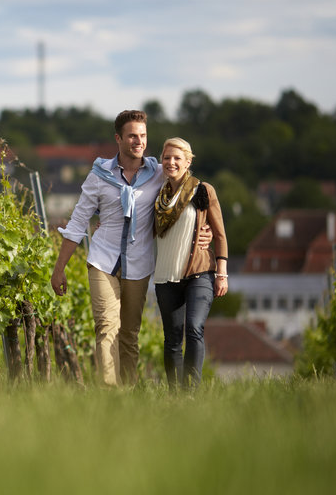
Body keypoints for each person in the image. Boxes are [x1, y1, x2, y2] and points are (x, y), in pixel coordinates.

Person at [50, 110, 210, 386]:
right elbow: (77, 222)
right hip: (103, 259)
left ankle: (128, 392)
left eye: (143, 136)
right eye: (132, 136)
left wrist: (203, 230)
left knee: (129, 334)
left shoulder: (158, 173)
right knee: (106, 327)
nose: (139, 141)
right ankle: (110, 394)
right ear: (118, 139)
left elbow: (187, 191)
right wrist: (59, 268)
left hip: (139, 262)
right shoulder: (99, 176)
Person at [153, 137, 228, 390]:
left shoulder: (202, 190)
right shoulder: (156, 195)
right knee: (172, 339)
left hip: (199, 274)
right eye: (166, 157)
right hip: (165, 276)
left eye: (177, 158)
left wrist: (222, 273)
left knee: (194, 328)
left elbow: (219, 235)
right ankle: (175, 395)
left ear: (188, 162)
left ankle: (191, 392)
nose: (171, 162)